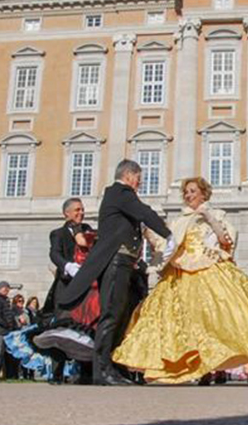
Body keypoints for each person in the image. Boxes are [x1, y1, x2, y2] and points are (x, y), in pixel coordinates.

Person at [113, 177, 248, 384]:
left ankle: (223, 366)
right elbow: (166, 244)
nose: (188, 195)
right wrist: (148, 231)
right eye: (186, 192)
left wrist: (209, 217)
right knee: (185, 324)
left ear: (203, 193)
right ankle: (193, 367)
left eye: (192, 191)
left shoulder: (216, 215)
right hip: (181, 273)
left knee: (224, 319)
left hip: (210, 269)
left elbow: (225, 241)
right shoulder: (180, 220)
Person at [57, 159, 175, 386]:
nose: (140, 182)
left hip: (125, 262)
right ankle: (101, 370)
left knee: (120, 315)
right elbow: (144, 212)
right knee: (111, 313)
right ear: (129, 175)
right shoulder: (119, 192)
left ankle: (113, 367)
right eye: (139, 178)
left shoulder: (120, 196)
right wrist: (167, 234)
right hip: (115, 261)